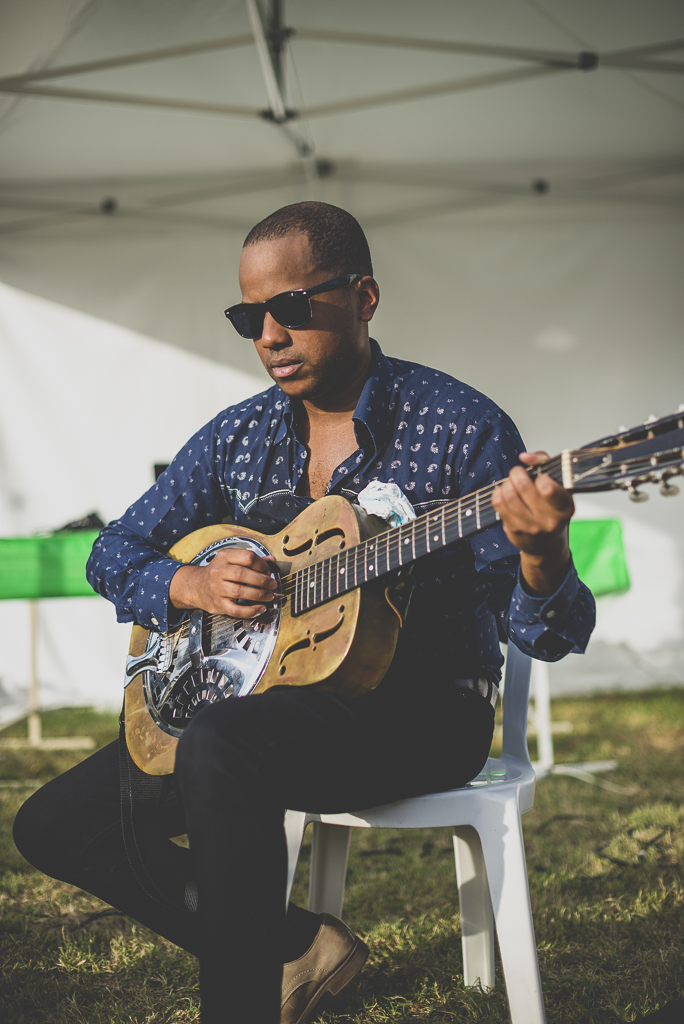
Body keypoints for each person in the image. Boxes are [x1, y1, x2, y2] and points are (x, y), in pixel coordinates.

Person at [14, 201, 595, 1023]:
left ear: (365, 297)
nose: (269, 336)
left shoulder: (460, 425)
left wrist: (541, 553)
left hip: (422, 711)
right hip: (262, 706)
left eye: (291, 308)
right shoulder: (238, 437)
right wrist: (190, 587)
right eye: (249, 316)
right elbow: (113, 551)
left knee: (220, 747)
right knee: (55, 825)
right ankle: (291, 946)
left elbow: (550, 632)